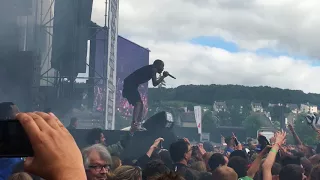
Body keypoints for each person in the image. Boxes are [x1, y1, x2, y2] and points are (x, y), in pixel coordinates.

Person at [122, 59, 169, 131]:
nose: (163, 69)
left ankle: (138, 124)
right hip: (130, 84)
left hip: (131, 84)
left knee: (140, 104)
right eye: (162, 67)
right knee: (138, 103)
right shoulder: (153, 69)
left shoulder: (151, 68)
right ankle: (134, 124)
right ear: (158, 65)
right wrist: (163, 76)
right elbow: (155, 83)